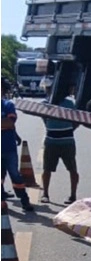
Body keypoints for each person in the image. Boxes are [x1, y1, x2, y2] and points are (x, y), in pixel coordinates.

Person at [40, 81, 79, 204]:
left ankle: (73, 195)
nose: (48, 90)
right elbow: (44, 120)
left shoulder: (69, 103)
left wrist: (69, 129)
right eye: (47, 88)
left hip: (67, 141)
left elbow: (78, 119)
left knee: (72, 169)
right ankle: (45, 194)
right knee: (47, 168)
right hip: (51, 140)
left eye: (50, 88)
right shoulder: (44, 104)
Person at [1, 81, 34, 211]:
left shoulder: (7, 105)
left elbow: (10, 123)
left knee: (15, 175)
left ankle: (24, 201)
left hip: (8, 148)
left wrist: (11, 130)